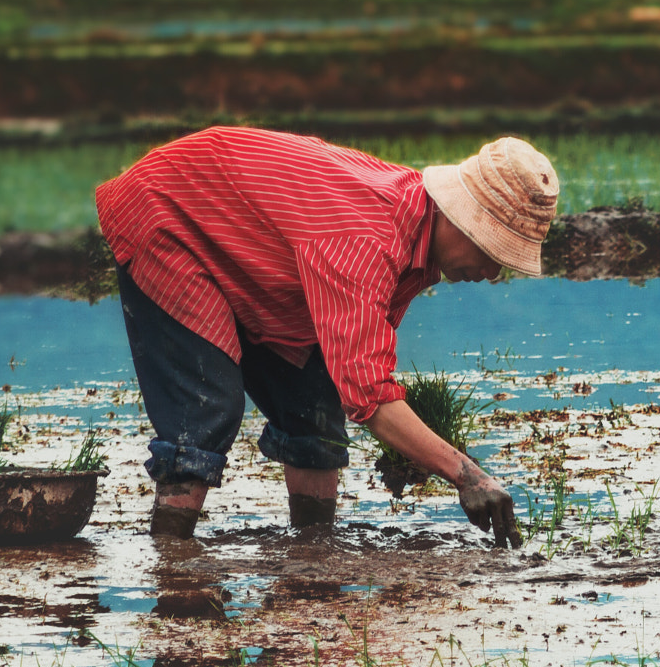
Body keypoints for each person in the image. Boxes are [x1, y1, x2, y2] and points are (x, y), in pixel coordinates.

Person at [94, 127, 558, 547]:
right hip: (169, 215)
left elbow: (355, 360)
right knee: (206, 407)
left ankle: (312, 555)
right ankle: (171, 566)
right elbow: (369, 395)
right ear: (459, 217)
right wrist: (466, 475)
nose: (493, 271)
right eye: (491, 249)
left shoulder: (414, 234)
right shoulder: (365, 241)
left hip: (256, 255)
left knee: (315, 403)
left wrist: (418, 451)